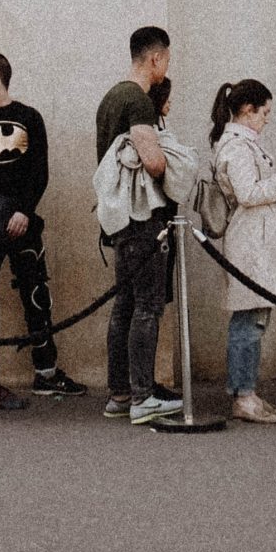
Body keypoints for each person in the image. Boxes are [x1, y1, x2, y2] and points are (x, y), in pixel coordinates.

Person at [0, 52, 85, 400]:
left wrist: (24, 211)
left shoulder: (28, 118)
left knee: (36, 294)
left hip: (22, 224)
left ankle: (46, 370)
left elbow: (38, 170)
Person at [96, 26, 179, 423]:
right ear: (155, 59)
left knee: (123, 307)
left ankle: (120, 392)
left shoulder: (110, 98)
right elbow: (154, 161)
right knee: (147, 307)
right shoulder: (139, 102)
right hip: (143, 217)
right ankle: (143, 396)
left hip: (116, 218)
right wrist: (172, 161)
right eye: (166, 59)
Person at [210, 79, 276, 424]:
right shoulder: (236, 146)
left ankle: (247, 391)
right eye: (265, 113)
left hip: (256, 240)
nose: (266, 119)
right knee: (248, 321)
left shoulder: (239, 143)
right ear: (248, 110)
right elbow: (247, 192)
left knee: (254, 319)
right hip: (251, 242)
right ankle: (243, 395)